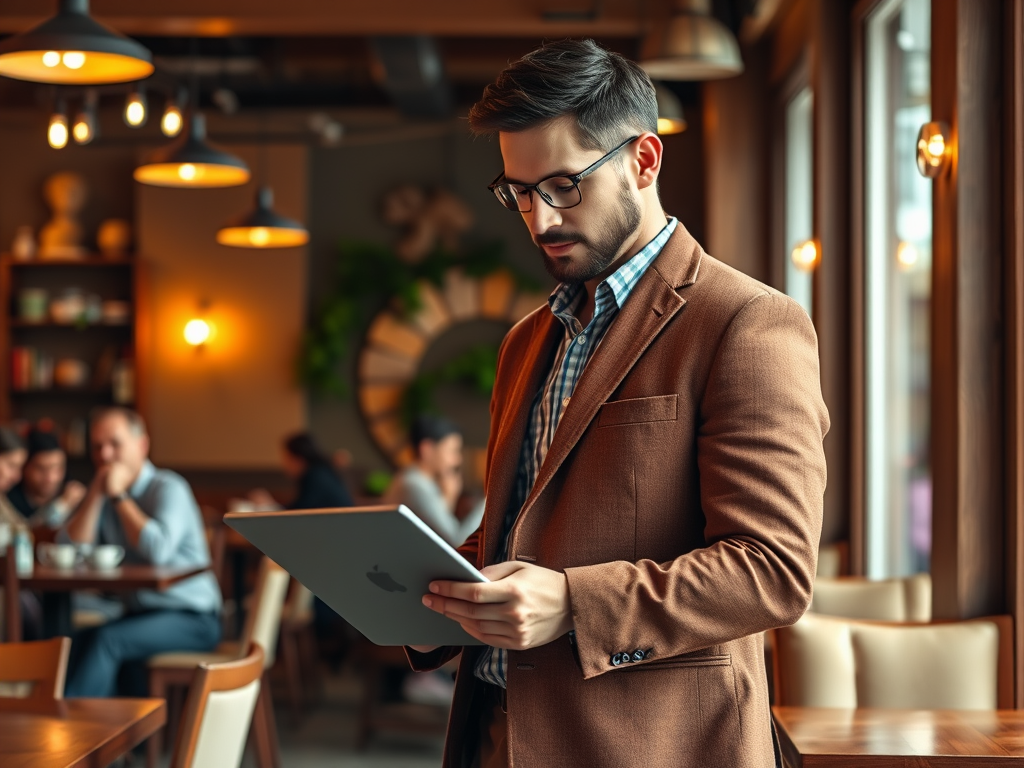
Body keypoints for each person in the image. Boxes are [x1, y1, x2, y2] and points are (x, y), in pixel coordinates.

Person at [406, 40, 829, 768]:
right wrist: (416, 586)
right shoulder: (525, 341)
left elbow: (772, 568)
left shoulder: (746, 322)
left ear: (643, 161)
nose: (539, 220)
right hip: (494, 733)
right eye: (519, 193)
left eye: (564, 184)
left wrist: (573, 602)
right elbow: (522, 534)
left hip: (645, 744)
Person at [62, 407, 222, 697]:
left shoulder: (169, 487)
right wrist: (97, 496)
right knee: (73, 643)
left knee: (107, 640)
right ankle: (101, 728)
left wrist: (119, 497)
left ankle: (76, 735)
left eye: (115, 444)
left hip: (192, 618)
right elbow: (70, 551)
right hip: (140, 615)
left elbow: (157, 551)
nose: (105, 455)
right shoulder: (104, 490)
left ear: (141, 445)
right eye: (97, 447)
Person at [383, 415, 484, 548]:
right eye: (452, 451)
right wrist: (490, 501)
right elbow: (458, 540)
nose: (457, 460)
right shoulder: (414, 485)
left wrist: (449, 497)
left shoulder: (417, 480)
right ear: (427, 449)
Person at [248, 431, 355, 511]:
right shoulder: (320, 472)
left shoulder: (316, 477)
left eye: (286, 458)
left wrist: (268, 506)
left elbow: (297, 514)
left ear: (298, 458)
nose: (284, 464)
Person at [7, 428, 86, 530]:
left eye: (58, 468)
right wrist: (61, 506)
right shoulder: (9, 496)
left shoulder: (75, 493)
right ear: (25, 467)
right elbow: (25, 535)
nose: (51, 478)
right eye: (41, 469)